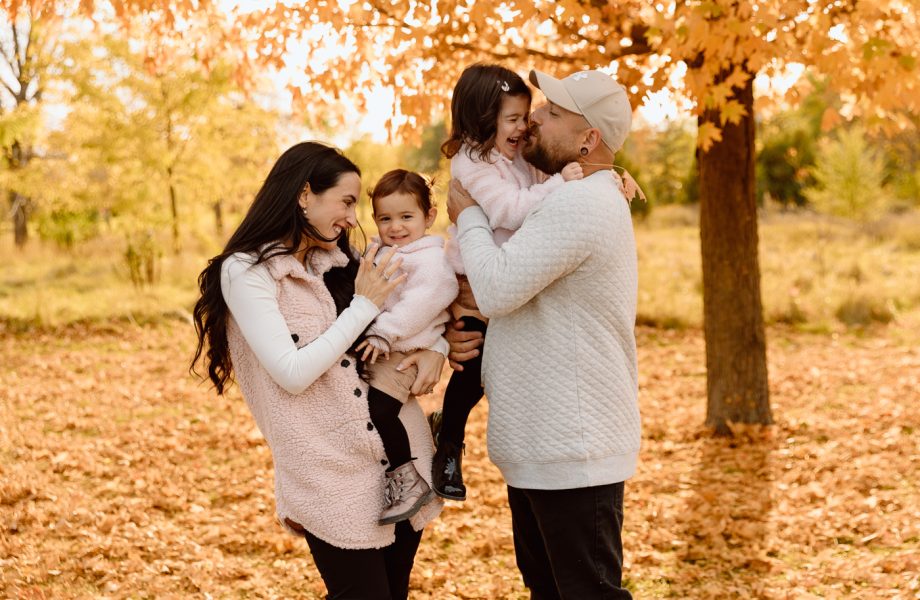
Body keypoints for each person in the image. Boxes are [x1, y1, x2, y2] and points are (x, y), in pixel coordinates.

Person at [191, 141, 444, 600]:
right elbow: (291, 372)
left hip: (403, 461)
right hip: (329, 476)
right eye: (346, 201)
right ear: (305, 194)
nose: (353, 217)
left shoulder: (346, 261)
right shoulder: (247, 272)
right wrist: (363, 303)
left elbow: (415, 314)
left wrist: (437, 349)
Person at [446, 69, 642, 599]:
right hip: (545, 445)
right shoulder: (562, 194)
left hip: (573, 449)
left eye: (552, 113)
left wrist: (467, 218)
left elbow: (498, 287)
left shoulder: (578, 203)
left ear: (589, 139)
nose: (533, 117)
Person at [432, 63, 584, 501]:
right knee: (474, 367)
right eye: (513, 119)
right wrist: (560, 184)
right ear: (483, 122)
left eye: (525, 116)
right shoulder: (472, 163)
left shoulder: (512, 155)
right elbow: (508, 211)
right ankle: (449, 443)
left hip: (504, 274)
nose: (524, 126)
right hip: (473, 282)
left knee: (497, 369)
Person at [356, 169, 458, 525]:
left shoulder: (430, 260)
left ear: (429, 217)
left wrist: (383, 331)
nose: (395, 227)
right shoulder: (388, 251)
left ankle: (407, 479)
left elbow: (424, 302)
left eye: (406, 217)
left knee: (379, 410)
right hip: (388, 344)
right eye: (386, 218)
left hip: (407, 349)